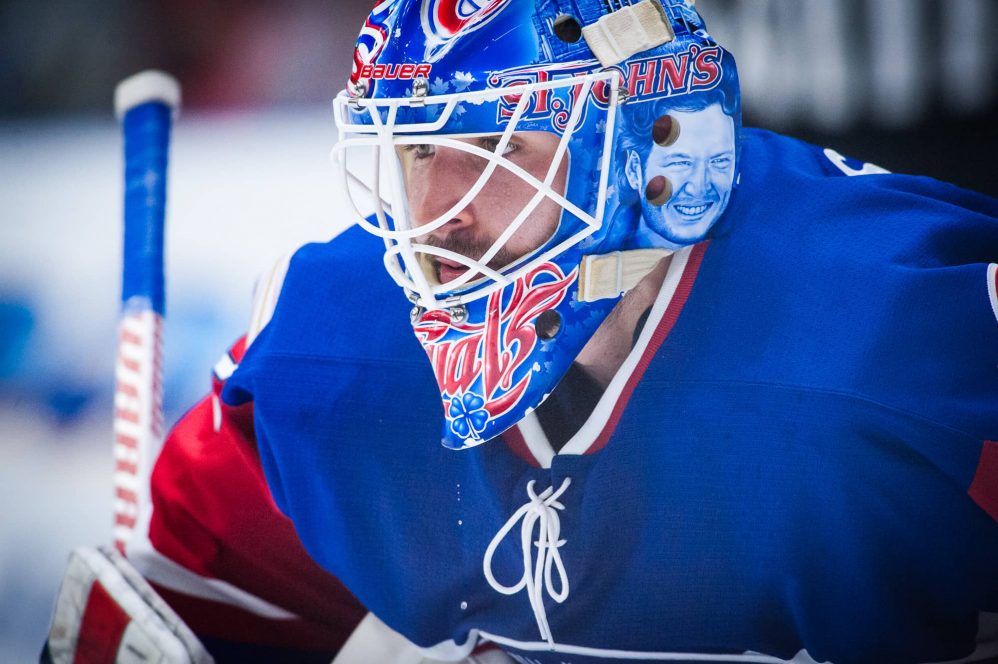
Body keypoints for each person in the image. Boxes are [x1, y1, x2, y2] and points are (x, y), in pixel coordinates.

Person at [45, 1, 998, 663]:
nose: (438, 210)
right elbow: (203, 608)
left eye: (494, 147)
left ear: (653, 153)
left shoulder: (912, 345)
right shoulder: (333, 358)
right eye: (417, 149)